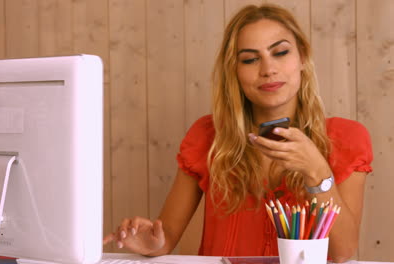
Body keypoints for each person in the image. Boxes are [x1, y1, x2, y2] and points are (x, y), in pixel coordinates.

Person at [103, 4, 373, 262]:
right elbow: (167, 236)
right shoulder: (207, 137)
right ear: (234, 70)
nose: (268, 69)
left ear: (302, 56)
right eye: (250, 59)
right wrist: (152, 244)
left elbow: (341, 252)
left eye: (280, 53)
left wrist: (317, 171)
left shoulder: (346, 138)